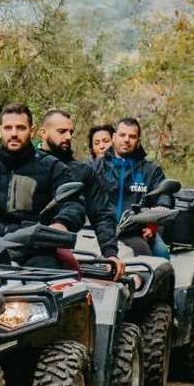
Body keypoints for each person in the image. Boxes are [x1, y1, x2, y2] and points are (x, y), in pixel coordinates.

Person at [0, 102, 86, 237]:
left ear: (32, 131)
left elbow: (73, 203)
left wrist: (61, 223)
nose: (14, 133)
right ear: (0, 131)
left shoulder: (53, 167)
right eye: (8, 128)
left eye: (20, 128)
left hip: (35, 245)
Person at [39, 108, 124, 278]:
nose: (68, 137)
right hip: (20, 246)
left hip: (66, 245)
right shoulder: (24, 167)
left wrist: (110, 253)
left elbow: (101, 215)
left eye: (70, 132)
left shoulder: (82, 171)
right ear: (43, 133)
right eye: (61, 132)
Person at [105, 117, 173, 257]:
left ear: (138, 141)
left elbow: (164, 199)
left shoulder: (151, 171)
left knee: (162, 259)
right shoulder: (96, 167)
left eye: (132, 136)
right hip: (99, 231)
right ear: (113, 137)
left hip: (134, 233)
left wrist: (152, 225)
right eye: (122, 135)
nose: (127, 139)